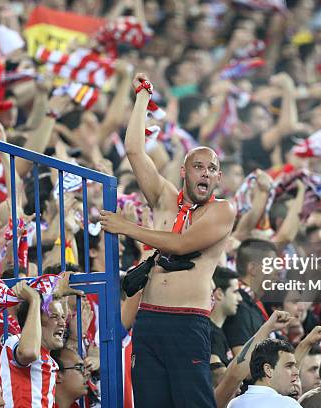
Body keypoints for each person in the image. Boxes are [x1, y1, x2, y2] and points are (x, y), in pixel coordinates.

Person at [100, 73, 236, 408]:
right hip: (149, 319)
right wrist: (143, 97)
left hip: (187, 322)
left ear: (219, 177)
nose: (204, 172)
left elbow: (179, 245)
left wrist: (127, 228)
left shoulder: (222, 211)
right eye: (198, 166)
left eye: (211, 169)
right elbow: (134, 149)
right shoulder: (164, 199)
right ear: (184, 172)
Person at [227, 338, 302, 407]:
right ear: (268, 370)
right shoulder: (288, 404)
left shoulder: (234, 404)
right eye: (289, 366)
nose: (296, 372)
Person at [211, 266, 243, 366]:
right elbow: (220, 378)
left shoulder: (219, 331)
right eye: (235, 292)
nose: (240, 298)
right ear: (219, 294)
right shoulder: (209, 334)